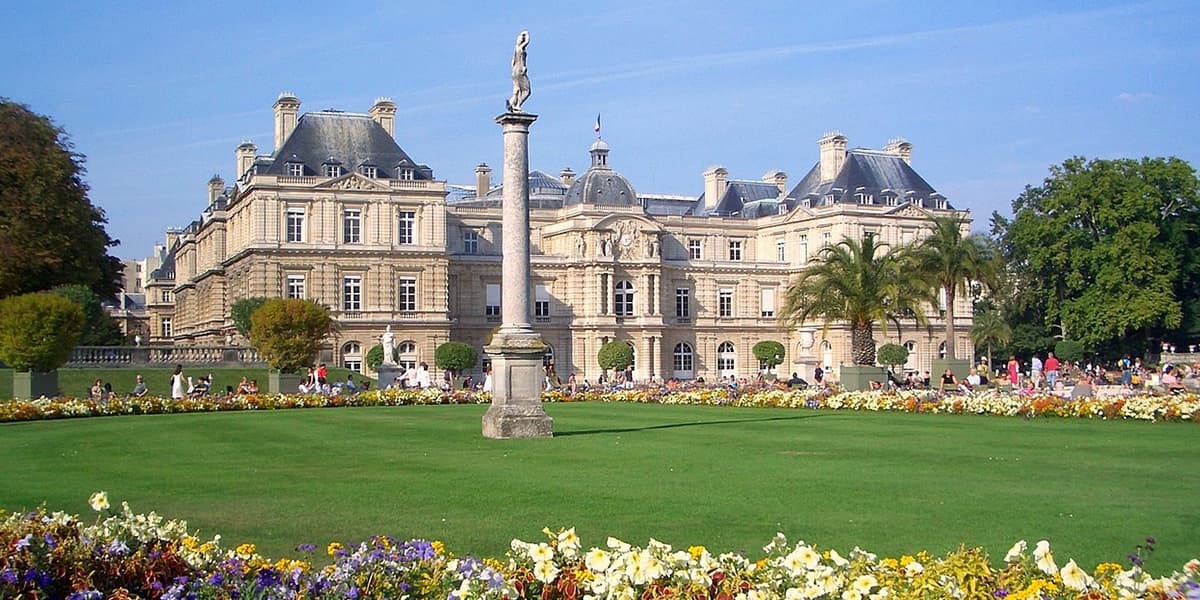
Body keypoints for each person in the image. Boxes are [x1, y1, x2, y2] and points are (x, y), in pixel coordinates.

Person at [507, 31, 531, 112]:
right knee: (526, 91)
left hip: (514, 72)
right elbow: (527, 41)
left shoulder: (516, 49)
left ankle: (511, 103)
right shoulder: (520, 48)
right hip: (520, 71)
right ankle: (517, 105)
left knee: (517, 90)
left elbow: (512, 63)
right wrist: (526, 34)